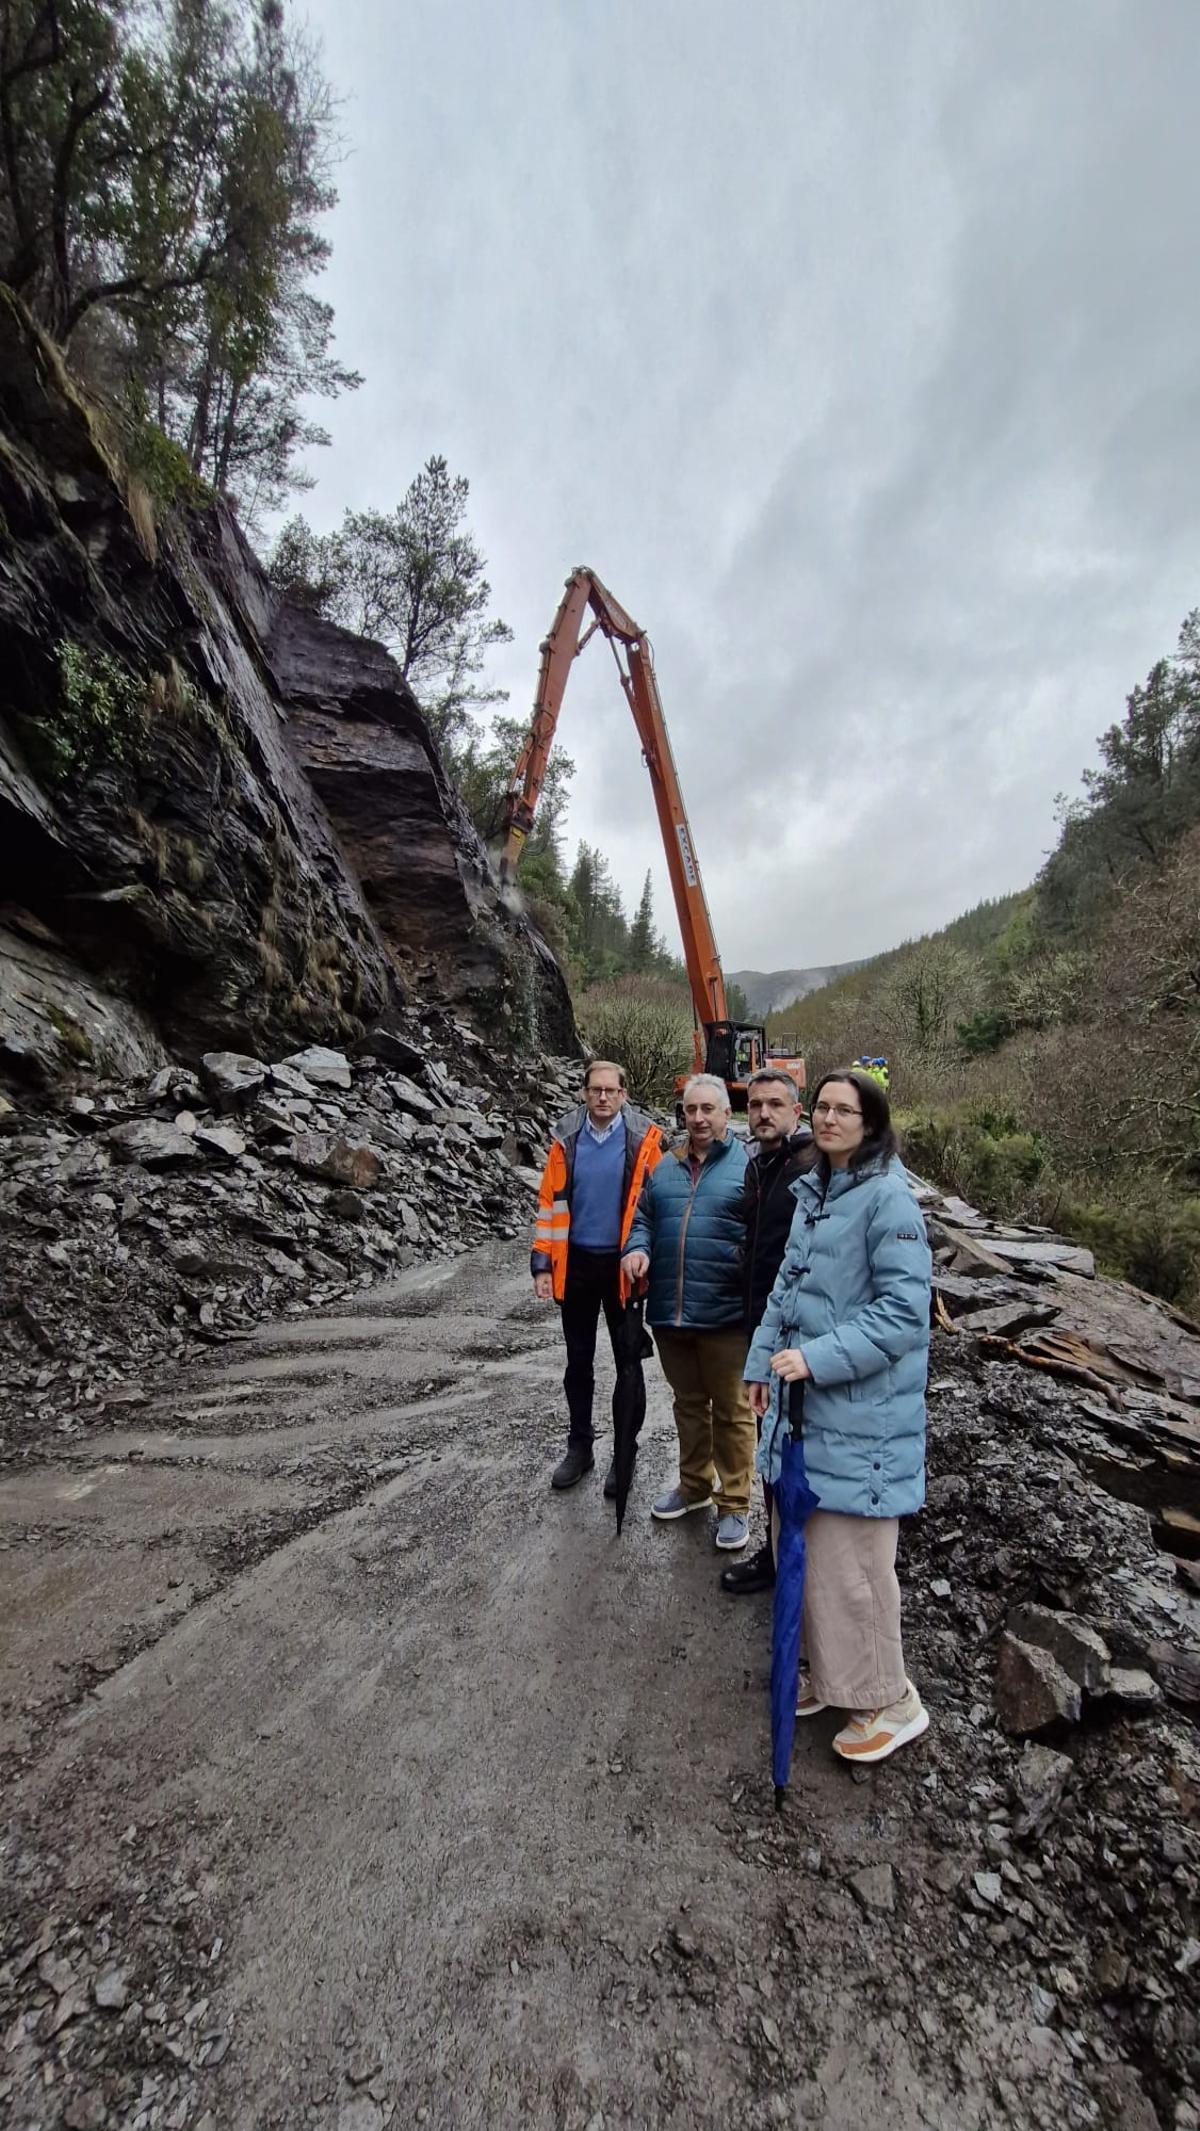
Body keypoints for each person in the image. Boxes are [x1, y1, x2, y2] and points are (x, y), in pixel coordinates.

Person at [744, 1068, 932, 1763]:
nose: (827, 1118)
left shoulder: (888, 1200)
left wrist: (815, 1357)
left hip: (861, 1420)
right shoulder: (817, 1192)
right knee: (809, 1557)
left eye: (842, 1109)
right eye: (820, 1106)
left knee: (853, 1569)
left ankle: (891, 1700)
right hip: (803, 1414)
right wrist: (761, 1366)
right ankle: (830, 1676)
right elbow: (785, 1291)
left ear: (871, 1122)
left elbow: (903, 1317)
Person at [621, 1074, 755, 1551]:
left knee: (734, 1410)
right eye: (690, 1110)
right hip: (670, 1313)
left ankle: (735, 1503)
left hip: (725, 1313)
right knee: (689, 1405)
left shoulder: (748, 1165)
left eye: (707, 1110)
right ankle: (695, 1485)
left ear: (725, 1114)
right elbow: (643, 1219)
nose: (697, 1118)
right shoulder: (667, 1165)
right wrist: (636, 1249)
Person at [532, 1060, 664, 1495]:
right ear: (585, 1093)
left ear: (624, 1094)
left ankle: (624, 1453)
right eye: (595, 1090)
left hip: (623, 1269)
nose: (603, 1097)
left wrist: (649, 1259)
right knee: (579, 1363)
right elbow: (550, 1205)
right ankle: (580, 1447)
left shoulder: (644, 1140)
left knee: (629, 1364)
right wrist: (542, 1264)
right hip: (578, 1267)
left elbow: (656, 1206)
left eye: (611, 1090)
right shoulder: (565, 1142)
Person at [720, 1069, 817, 1597]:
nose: (762, 1113)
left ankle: (796, 1557)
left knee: (797, 1447)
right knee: (770, 1443)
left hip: (800, 1333)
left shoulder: (811, 1165)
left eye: (775, 1104)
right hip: (761, 1322)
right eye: (755, 1104)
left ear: (796, 1112)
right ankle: (780, 1552)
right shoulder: (761, 1165)